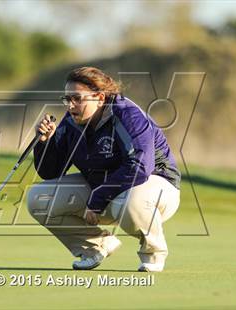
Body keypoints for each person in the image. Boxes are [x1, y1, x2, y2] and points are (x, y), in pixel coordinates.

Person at [27, 67, 181, 272]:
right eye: (67, 99)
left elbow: (140, 166)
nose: (70, 105)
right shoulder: (72, 121)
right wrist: (45, 143)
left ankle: (153, 253)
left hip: (155, 186)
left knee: (131, 201)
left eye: (77, 98)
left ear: (99, 98)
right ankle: (96, 247)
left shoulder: (128, 115)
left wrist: (98, 198)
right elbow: (51, 172)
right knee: (39, 198)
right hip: (105, 190)